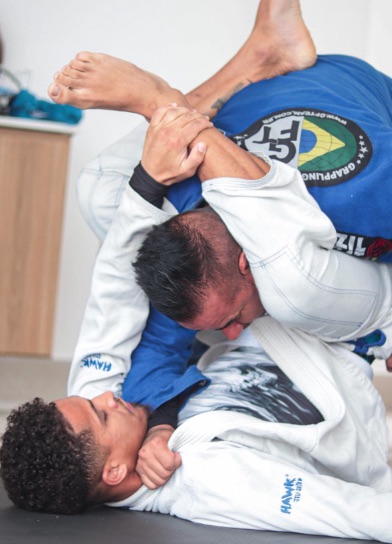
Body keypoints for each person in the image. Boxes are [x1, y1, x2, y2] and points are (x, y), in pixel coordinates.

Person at [1, 314, 392, 542]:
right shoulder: (210, 479)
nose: (107, 396)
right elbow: (350, 511)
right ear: (115, 471)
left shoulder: (131, 430)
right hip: (328, 348)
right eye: (101, 414)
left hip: (252, 334)